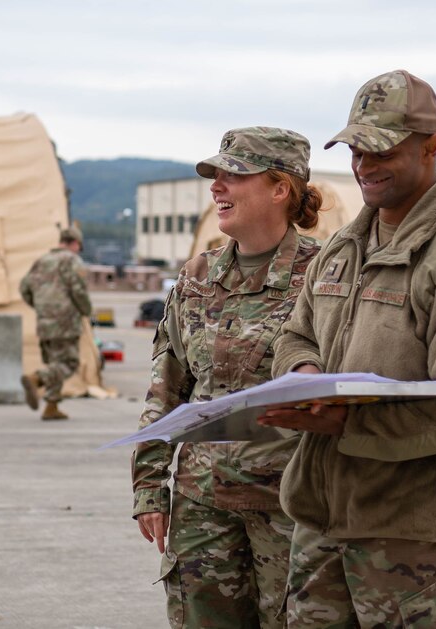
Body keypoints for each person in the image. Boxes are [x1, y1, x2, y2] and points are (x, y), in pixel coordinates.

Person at [258, 70, 436, 627]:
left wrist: (345, 423)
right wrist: (303, 372)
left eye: (381, 150)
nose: (364, 165)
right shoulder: (342, 248)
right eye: (356, 150)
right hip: (320, 528)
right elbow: (296, 334)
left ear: (431, 147)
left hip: (413, 546)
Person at [131, 127, 324, 628]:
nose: (217, 186)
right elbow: (166, 387)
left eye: (233, 176)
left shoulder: (325, 278)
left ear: (280, 188)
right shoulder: (197, 276)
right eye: (215, 176)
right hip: (201, 505)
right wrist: (150, 486)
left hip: (288, 509)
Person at [20, 226, 92, 420]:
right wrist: (86, 311)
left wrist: (41, 307)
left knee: (54, 363)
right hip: (65, 321)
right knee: (68, 363)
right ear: (75, 243)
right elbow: (78, 290)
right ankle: (37, 378)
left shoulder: (41, 261)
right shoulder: (72, 261)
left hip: (45, 320)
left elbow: (24, 288)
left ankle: (51, 407)